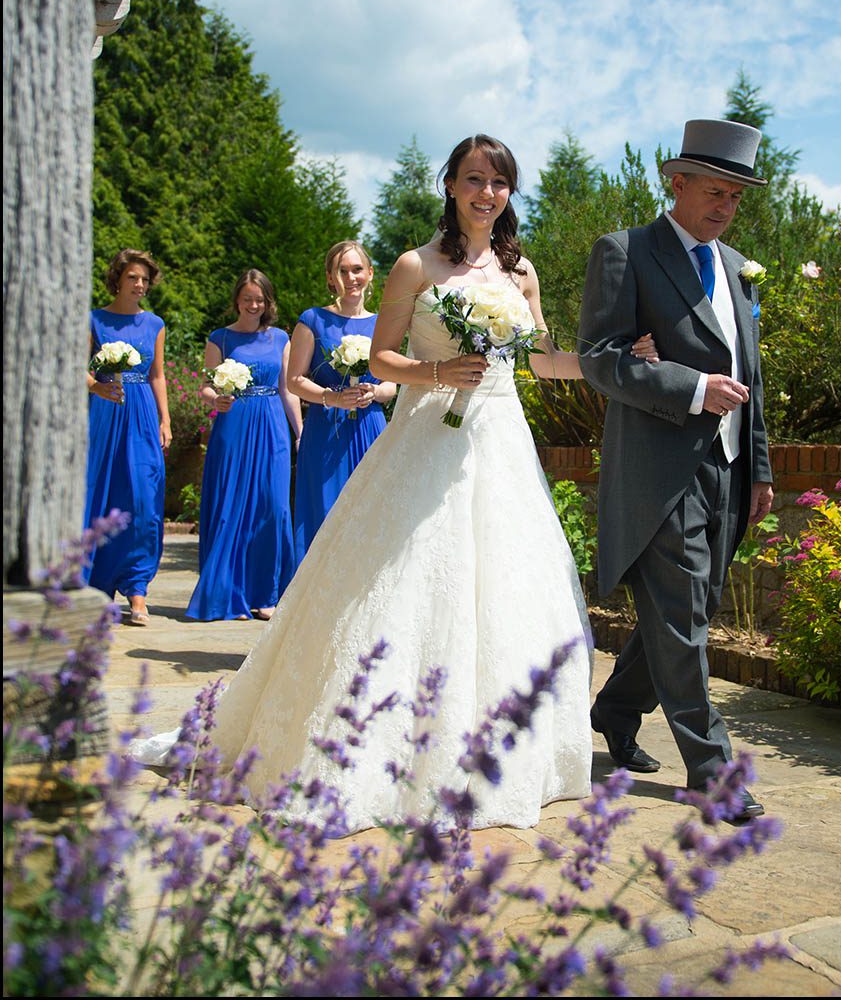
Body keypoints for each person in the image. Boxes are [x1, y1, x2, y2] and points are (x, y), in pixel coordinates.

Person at [135, 134, 657, 834]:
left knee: (505, 592)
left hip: (499, 442)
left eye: (499, 183)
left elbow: (540, 361)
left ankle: (494, 758)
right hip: (426, 435)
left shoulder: (521, 271)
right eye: (474, 179)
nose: (486, 193)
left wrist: (613, 360)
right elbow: (383, 354)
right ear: (450, 186)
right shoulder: (416, 265)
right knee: (401, 584)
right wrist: (438, 374)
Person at [578, 118, 775, 825]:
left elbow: (752, 376)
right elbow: (601, 357)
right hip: (659, 471)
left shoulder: (738, 268)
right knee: (687, 621)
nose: (725, 205)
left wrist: (759, 468)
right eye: (715, 190)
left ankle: (616, 707)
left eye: (737, 196)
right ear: (677, 182)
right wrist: (689, 387)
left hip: (727, 470)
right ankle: (712, 773)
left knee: (685, 612)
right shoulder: (625, 252)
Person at [185, 269, 303, 622]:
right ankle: (229, 596)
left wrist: (299, 431)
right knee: (231, 507)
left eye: (260, 299)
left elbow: (288, 389)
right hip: (233, 425)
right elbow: (206, 386)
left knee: (274, 507)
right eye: (247, 298)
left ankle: (266, 594)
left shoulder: (281, 338)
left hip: (271, 426)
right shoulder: (219, 338)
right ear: (237, 299)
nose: (253, 305)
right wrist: (214, 398)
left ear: (268, 302)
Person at [287, 241, 397, 562]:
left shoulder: (384, 323)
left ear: (370, 273)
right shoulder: (313, 320)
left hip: (371, 427)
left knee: (371, 512)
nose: (351, 277)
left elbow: (393, 382)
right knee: (326, 512)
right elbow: (294, 381)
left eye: (357, 269)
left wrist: (375, 393)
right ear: (330, 278)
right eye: (342, 271)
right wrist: (331, 398)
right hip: (326, 431)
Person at [83, 248, 171, 626]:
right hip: (104, 413)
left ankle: (137, 590)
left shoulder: (155, 324)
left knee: (143, 499)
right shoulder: (93, 319)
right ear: (118, 278)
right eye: (133, 277)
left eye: (145, 280)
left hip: (142, 415)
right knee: (100, 494)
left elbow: (157, 375)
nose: (139, 284)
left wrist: (165, 419)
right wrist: (95, 386)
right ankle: (96, 587)